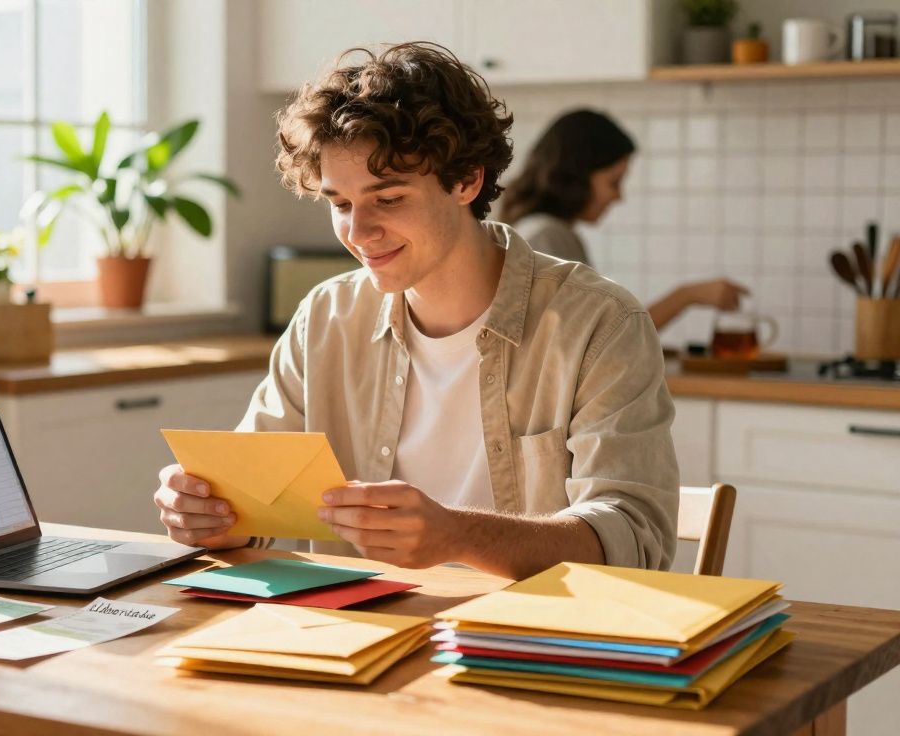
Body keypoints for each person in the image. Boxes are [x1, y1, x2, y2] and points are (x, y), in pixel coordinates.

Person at [152, 43, 678, 580]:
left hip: (532, 641)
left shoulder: (600, 323)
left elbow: (634, 538)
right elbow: (250, 503)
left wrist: (459, 535)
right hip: (355, 637)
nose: (358, 233)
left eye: (389, 198)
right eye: (340, 204)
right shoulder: (326, 317)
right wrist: (210, 512)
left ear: (466, 181)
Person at [502, 109, 747, 330]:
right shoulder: (547, 237)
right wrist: (687, 296)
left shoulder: (543, 231)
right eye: (614, 182)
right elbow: (605, 338)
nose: (618, 196)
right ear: (577, 176)